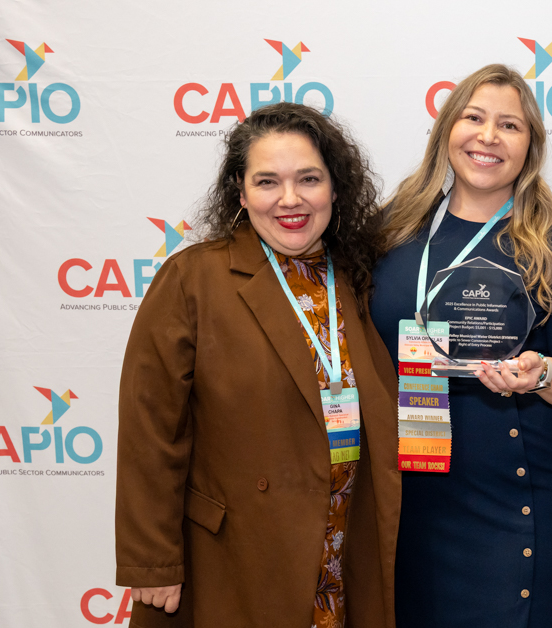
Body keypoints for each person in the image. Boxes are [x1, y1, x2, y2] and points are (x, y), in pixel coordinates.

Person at [115, 102, 401, 628]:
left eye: (309, 179)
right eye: (267, 181)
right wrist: (153, 562)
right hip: (234, 555)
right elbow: (150, 433)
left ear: (335, 189)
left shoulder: (358, 280)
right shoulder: (193, 280)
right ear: (241, 193)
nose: (290, 199)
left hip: (342, 548)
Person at [369, 64, 552, 628]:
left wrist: (541, 373)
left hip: (521, 497)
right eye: (474, 118)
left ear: (531, 146)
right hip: (406, 493)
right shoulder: (389, 232)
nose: (488, 136)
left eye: (510, 125)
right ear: (447, 129)